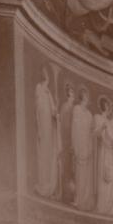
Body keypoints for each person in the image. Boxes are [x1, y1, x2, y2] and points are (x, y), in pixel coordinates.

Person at [34, 66, 60, 198]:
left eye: (47, 73)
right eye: (44, 73)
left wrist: (56, 113)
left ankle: (50, 184)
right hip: (43, 125)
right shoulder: (39, 87)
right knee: (44, 153)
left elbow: (53, 110)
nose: (46, 75)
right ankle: (43, 184)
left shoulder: (48, 92)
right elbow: (39, 107)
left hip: (49, 126)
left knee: (50, 153)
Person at [71, 87, 95, 211]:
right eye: (85, 95)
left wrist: (90, 146)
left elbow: (91, 132)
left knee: (86, 176)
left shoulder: (90, 114)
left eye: (88, 95)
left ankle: (85, 200)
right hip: (79, 145)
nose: (87, 97)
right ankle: (78, 199)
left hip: (87, 146)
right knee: (79, 174)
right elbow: (75, 128)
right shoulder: (76, 109)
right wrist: (75, 146)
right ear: (81, 97)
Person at [58, 82, 76, 202]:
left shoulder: (73, 108)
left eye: (73, 92)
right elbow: (65, 126)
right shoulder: (66, 107)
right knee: (67, 168)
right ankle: (66, 195)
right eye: (71, 92)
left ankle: (71, 195)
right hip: (67, 141)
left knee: (72, 169)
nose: (73, 95)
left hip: (72, 142)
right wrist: (69, 142)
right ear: (68, 94)